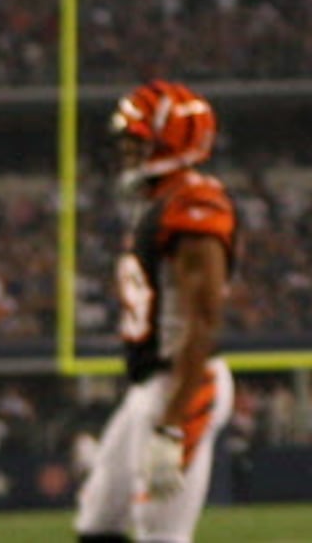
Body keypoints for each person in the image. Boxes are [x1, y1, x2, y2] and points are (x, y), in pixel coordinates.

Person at [75, 80, 236, 543]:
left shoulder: (194, 206)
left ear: (171, 140)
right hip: (151, 383)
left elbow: (202, 320)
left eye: (137, 139)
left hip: (184, 381)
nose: (127, 150)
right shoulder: (160, 204)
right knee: (97, 517)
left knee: (159, 534)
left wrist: (173, 422)